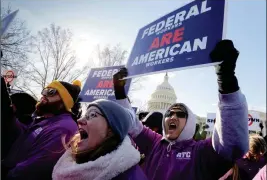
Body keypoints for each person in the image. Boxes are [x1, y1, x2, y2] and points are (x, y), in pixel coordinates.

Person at [113, 40, 249, 180]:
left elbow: (231, 144)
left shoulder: (201, 152)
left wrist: (226, 80)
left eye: (180, 114)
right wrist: (120, 94)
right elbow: (132, 124)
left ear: (190, 122)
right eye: (170, 113)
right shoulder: (154, 144)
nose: (173, 117)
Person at [2, 80, 81, 180]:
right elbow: (26, 136)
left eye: (51, 92)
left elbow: (37, 167)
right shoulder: (47, 120)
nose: (43, 95)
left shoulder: (63, 128)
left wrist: (7, 174)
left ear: (64, 100)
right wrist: (9, 116)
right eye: (44, 90)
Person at [52, 99, 148, 180]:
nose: (79, 121)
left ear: (111, 130)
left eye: (92, 115)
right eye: (85, 115)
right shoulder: (72, 162)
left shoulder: (130, 176)